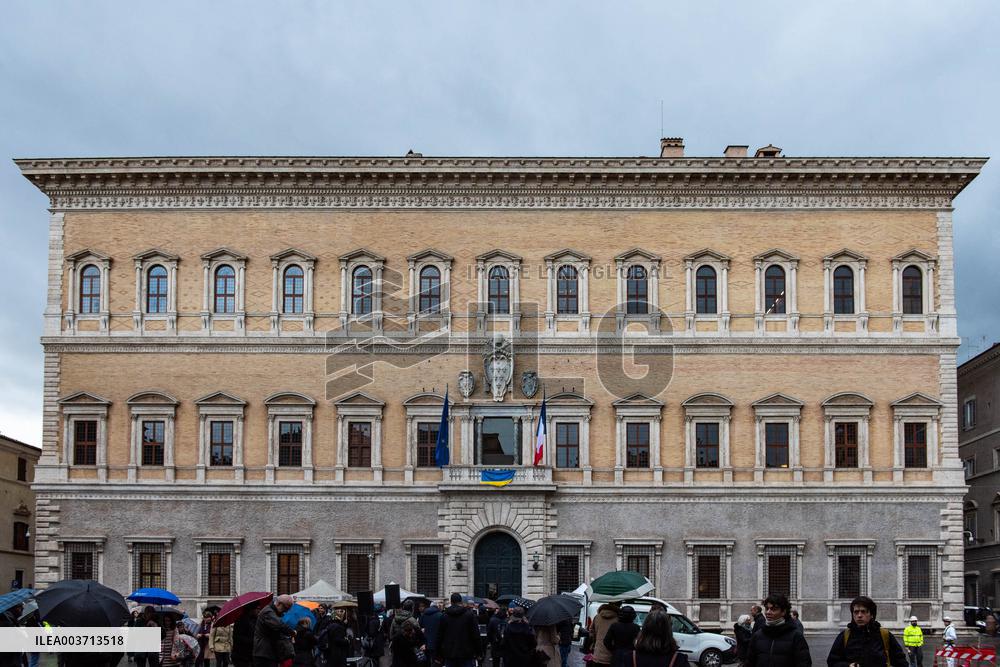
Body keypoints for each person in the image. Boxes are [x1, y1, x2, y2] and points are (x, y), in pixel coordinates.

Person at [827, 595, 906, 667]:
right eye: (856, 612)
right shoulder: (845, 636)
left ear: (871, 615)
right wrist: (848, 665)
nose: (859, 615)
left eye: (863, 611)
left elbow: (902, 662)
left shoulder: (884, 635)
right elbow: (832, 662)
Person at [745, 594, 811, 667]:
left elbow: (804, 663)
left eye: (773, 609)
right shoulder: (758, 635)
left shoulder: (796, 636)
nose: (768, 612)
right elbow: (750, 662)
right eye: (767, 608)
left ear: (783, 612)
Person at [437, 592, 482, 667]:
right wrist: (479, 652)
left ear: (451, 602)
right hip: (466, 653)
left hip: (449, 654)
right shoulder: (469, 615)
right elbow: (476, 635)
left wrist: (438, 654)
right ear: (461, 602)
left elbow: (439, 636)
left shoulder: (444, 616)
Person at [253, 594, 296, 667]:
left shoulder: (273, 612)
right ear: (279, 604)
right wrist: (292, 632)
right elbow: (279, 625)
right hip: (264, 653)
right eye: (286, 608)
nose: (285, 611)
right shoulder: (268, 612)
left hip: (269, 652)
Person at [421, 600, 444, 664]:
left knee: (427, 662)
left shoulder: (423, 615)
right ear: (437, 606)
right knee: (436, 662)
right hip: (436, 643)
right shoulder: (440, 615)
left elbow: (421, 627)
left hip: (426, 643)